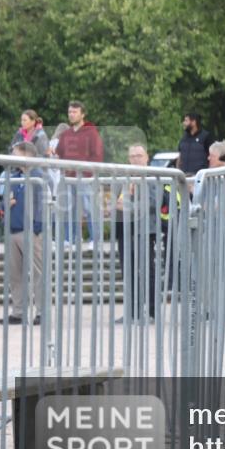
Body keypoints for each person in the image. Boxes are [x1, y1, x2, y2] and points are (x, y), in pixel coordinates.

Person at [114, 144, 160, 324]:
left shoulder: (153, 176)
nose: (135, 159)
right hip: (124, 230)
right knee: (128, 272)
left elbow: (153, 202)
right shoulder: (124, 177)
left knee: (146, 271)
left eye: (139, 155)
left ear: (147, 157)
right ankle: (132, 311)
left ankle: (152, 311)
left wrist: (128, 207)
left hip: (144, 231)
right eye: (132, 156)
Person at [0, 142, 44, 325]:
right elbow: (4, 204)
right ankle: (18, 312)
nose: (12, 155)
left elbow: (42, 204)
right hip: (12, 231)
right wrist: (4, 214)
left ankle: (42, 312)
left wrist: (35, 229)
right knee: (15, 274)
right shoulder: (14, 176)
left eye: (15, 152)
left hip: (30, 232)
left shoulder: (39, 176)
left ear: (27, 154)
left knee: (37, 274)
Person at [56, 100, 104, 249]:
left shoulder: (91, 132)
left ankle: (95, 240)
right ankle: (70, 239)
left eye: (74, 112)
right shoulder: (66, 134)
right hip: (68, 178)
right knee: (69, 208)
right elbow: (59, 153)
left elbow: (97, 155)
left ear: (82, 114)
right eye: (69, 112)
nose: (71, 114)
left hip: (86, 177)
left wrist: (88, 173)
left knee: (90, 209)